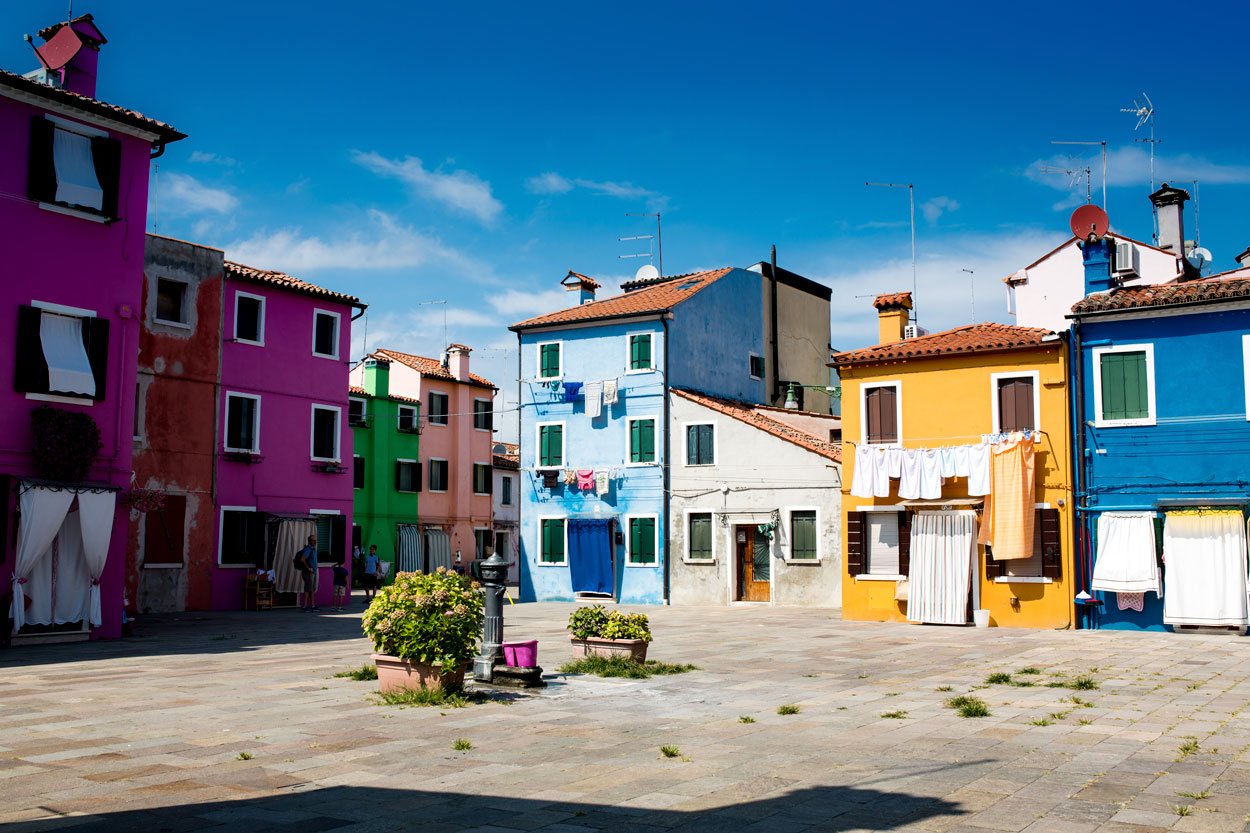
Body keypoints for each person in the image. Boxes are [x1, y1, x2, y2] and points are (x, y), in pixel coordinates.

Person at [294, 534, 319, 612]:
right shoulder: (308, 549)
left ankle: (312, 605)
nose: (315, 542)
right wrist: (308, 568)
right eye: (313, 540)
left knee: (311, 589)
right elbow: (302, 559)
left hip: (313, 572)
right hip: (308, 572)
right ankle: (304, 606)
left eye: (316, 540)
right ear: (310, 541)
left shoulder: (313, 549)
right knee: (307, 589)